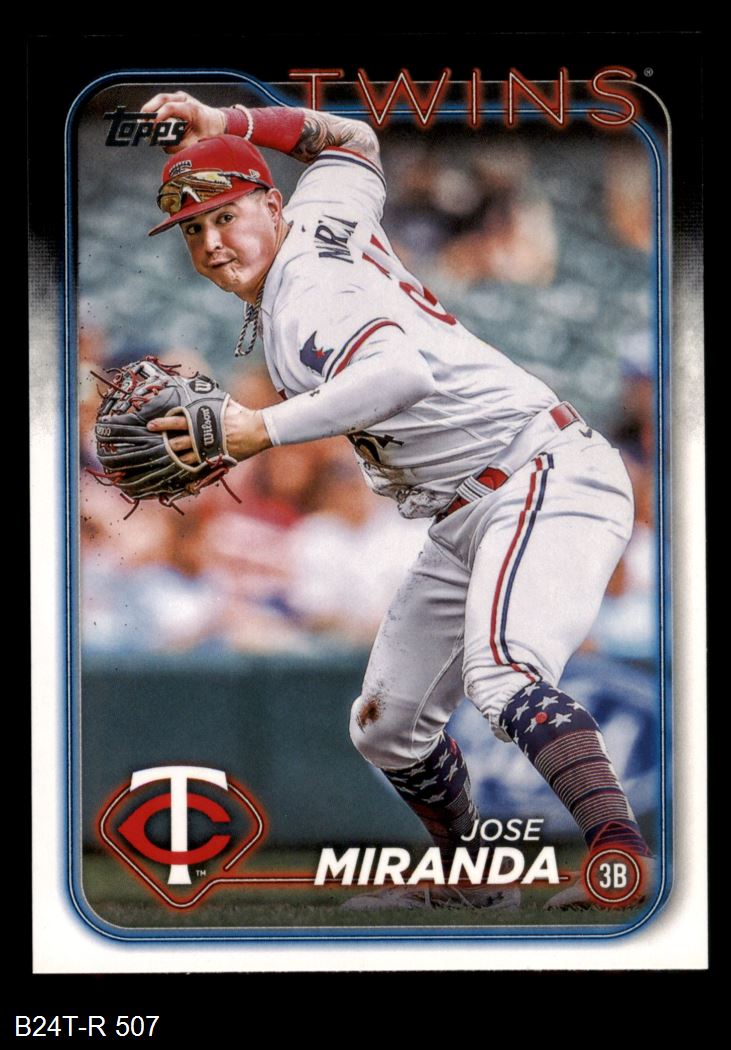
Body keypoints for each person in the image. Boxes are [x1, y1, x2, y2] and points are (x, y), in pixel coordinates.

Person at [140, 90, 654, 911]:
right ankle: (469, 879)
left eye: (224, 216)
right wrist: (230, 123)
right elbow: (349, 140)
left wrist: (258, 430)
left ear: (269, 205)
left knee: (504, 675)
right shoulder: (320, 215)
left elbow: (399, 374)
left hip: (538, 474)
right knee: (385, 724)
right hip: (469, 505)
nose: (211, 242)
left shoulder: (306, 295)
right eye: (193, 230)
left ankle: (622, 860)